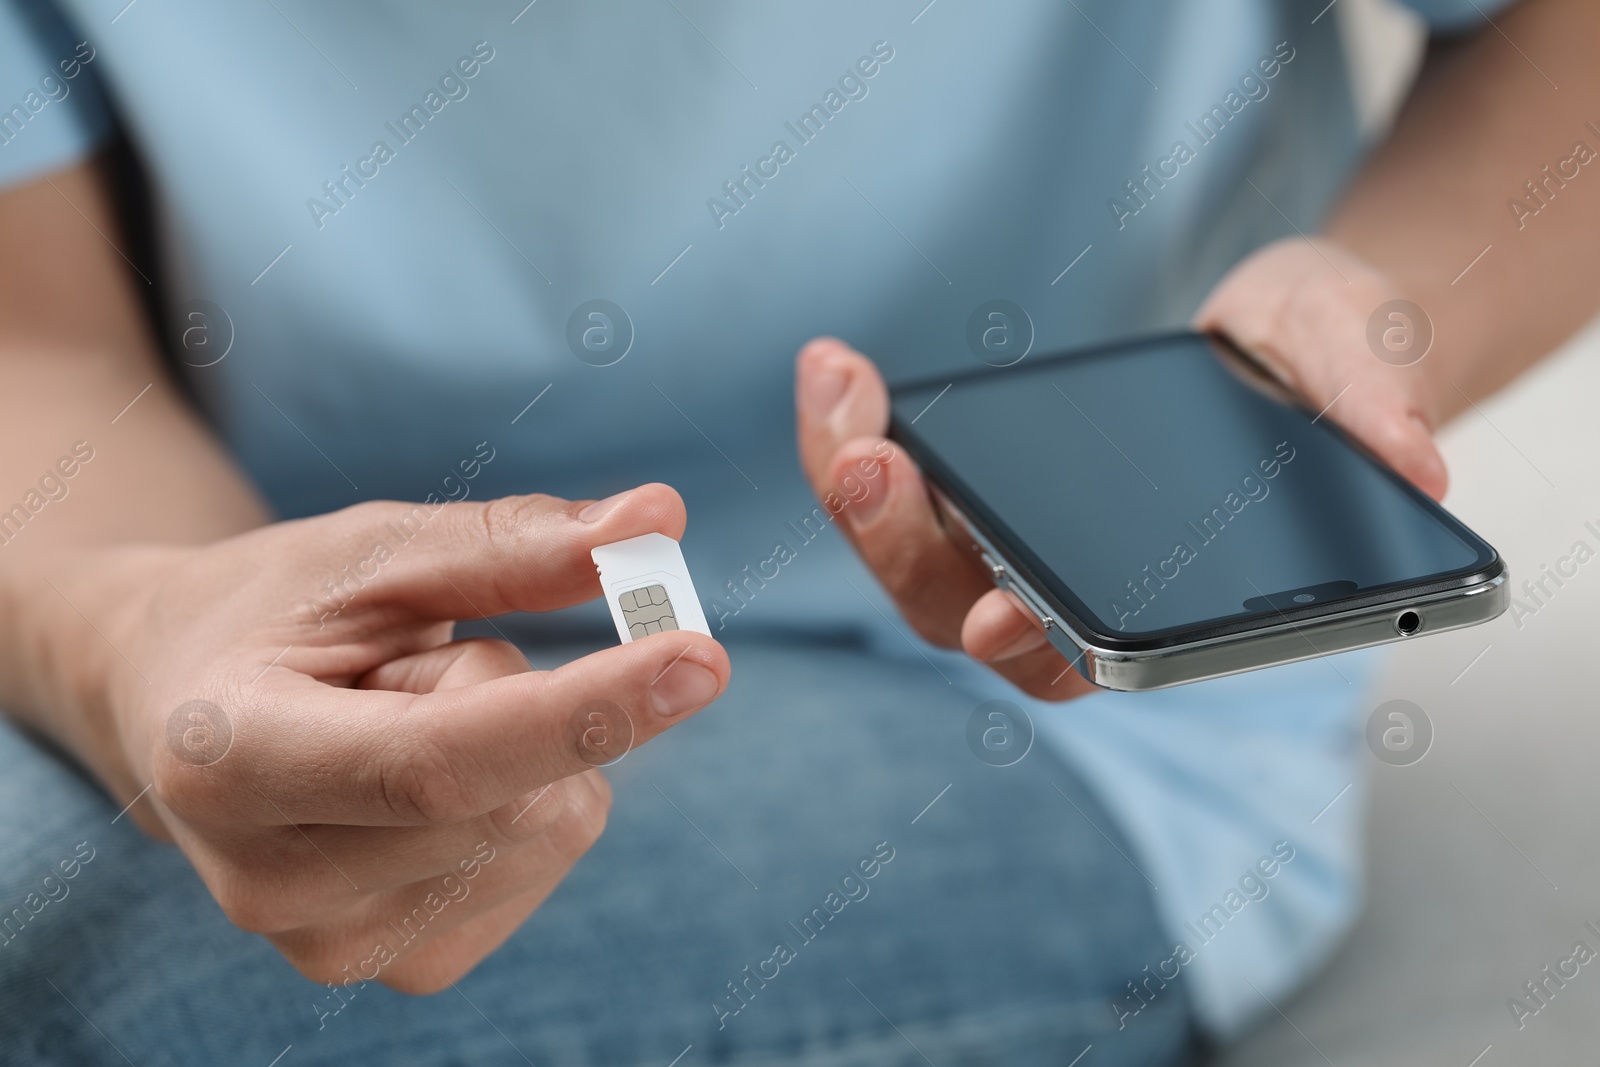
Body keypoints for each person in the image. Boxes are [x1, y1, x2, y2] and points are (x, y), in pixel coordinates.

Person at [0, 0, 1594, 1063]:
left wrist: (1368, 333)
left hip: (1013, 704)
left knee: (75, 977)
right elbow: (39, 340)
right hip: (273, 595)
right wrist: (141, 630)